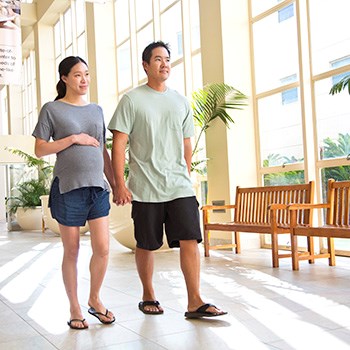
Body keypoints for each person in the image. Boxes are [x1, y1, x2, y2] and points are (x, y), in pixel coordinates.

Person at [108, 41, 227, 319]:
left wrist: (184, 171)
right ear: (145, 65)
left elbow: (186, 143)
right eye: (158, 59)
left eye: (168, 60)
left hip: (179, 186)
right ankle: (148, 294)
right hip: (146, 186)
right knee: (146, 243)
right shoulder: (132, 100)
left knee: (190, 239)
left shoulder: (180, 101)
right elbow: (119, 144)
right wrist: (120, 183)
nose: (164, 64)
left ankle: (194, 301)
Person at [32, 56, 116, 329]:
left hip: (97, 188)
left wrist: (115, 184)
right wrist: (72, 138)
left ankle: (94, 299)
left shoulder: (96, 110)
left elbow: (103, 149)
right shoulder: (52, 109)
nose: (84, 80)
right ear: (64, 78)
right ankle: (74, 307)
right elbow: (40, 149)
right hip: (68, 188)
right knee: (72, 250)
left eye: (87, 75)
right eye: (78, 75)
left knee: (103, 248)